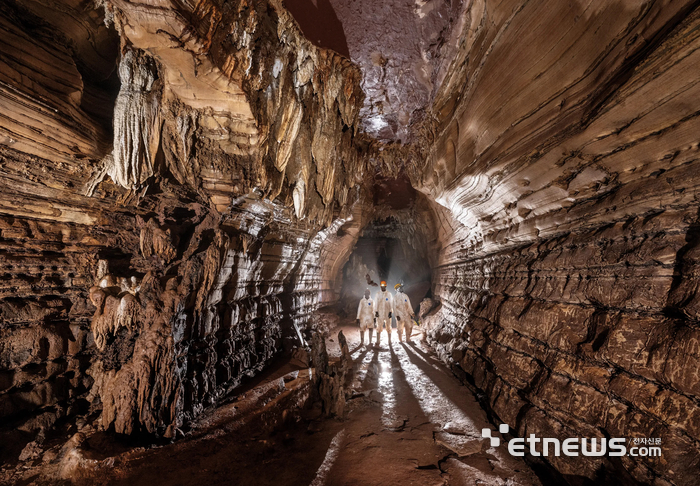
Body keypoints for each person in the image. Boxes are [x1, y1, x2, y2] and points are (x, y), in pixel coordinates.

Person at [374, 280, 393, 346]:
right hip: (380, 313)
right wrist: (376, 311)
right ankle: (378, 341)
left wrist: (391, 311)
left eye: (383, 286)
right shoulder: (378, 294)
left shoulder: (389, 294)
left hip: (387, 313)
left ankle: (389, 341)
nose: (382, 287)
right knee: (379, 326)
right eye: (381, 286)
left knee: (388, 326)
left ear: (385, 286)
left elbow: (391, 303)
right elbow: (376, 303)